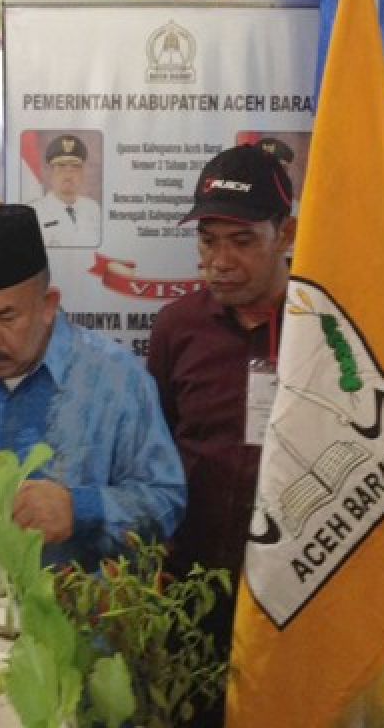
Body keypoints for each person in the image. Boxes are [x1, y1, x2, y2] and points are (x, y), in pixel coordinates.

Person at [0, 204, 185, 570]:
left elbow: (166, 502)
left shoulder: (117, 383)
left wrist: (81, 508)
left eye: (5, 317)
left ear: (48, 305)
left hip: (80, 621)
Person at [146, 143, 297, 682]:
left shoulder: (328, 332)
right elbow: (156, 451)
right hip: (193, 586)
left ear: (286, 234)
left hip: (295, 591)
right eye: (208, 241)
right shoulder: (177, 327)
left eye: (242, 241)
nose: (220, 262)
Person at [29, 134, 101, 247]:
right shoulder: (34, 212)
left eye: (75, 167)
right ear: (49, 173)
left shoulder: (93, 208)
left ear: (82, 173)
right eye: (61, 166)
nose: (68, 174)